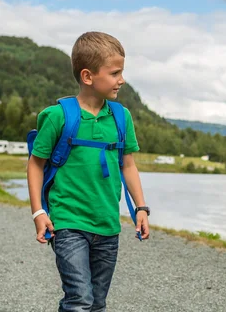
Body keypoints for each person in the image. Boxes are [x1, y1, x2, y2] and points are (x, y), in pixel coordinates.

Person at [27, 31, 150, 312]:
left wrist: (141, 207)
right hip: (68, 222)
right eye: (115, 72)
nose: (122, 79)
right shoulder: (59, 116)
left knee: (97, 303)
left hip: (107, 225)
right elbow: (36, 163)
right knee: (79, 299)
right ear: (88, 76)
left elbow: (127, 164)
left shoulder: (121, 116)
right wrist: (38, 212)